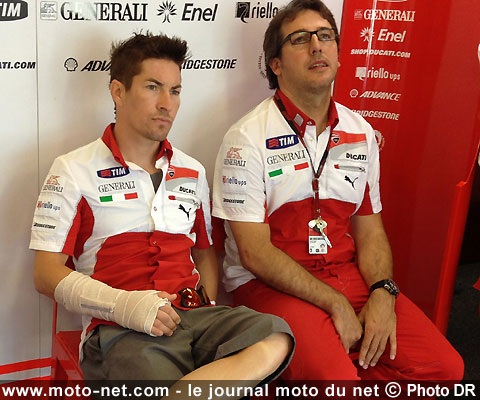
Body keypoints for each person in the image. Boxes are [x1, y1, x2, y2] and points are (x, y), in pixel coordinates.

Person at [212, 0, 464, 381]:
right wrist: (334, 303)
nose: (317, 46)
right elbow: (254, 254)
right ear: (275, 64)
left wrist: (382, 290)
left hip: (347, 275)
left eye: (326, 36)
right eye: (300, 39)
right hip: (269, 286)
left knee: (445, 369)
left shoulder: (360, 132)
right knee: (337, 379)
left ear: (339, 53)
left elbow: (370, 231)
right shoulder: (246, 139)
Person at [30, 32, 294, 392]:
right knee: (155, 376)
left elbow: (204, 253)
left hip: (194, 319)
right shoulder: (73, 169)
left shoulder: (192, 170)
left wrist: (205, 306)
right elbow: (45, 273)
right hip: (122, 331)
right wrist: (123, 305)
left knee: (275, 334)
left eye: (175, 90)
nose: (167, 104)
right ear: (118, 91)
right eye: (153, 87)